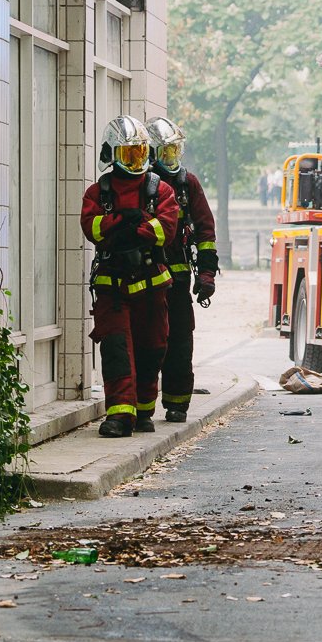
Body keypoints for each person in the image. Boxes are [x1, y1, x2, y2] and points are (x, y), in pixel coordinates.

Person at [79, 116, 181, 438]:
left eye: (140, 153)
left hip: (152, 285)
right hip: (112, 286)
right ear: (112, 154)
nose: (136, 161)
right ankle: (120, 416)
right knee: (116, 349)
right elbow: (92, 228)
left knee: (152, 348)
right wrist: (129, 224)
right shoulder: (98, 192)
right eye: (128, 154)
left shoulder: (160, 189)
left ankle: (143, 409)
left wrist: (123, 229)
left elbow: (166, 229)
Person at [142, 116, 218, 426]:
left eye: (175, 150)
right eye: (166, 152)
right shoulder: (140, 183)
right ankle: (141, 409)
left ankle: (177, 404)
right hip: (144, 280)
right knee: (149, 344)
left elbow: (205, 230)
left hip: (178, 280)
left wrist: (207, 274)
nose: (172, 158)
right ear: (151, 153)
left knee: (180, 343)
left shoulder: (187, 184)